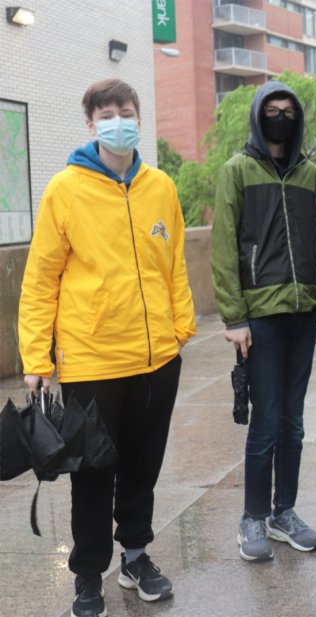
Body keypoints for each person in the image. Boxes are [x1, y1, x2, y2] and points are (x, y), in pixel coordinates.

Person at [18, 78, 196, 617]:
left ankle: (137, 555)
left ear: (137, 118)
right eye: (107, 114)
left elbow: (176, 265)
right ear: (91, 125)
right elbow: (40, 277)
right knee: (93, 474)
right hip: (92, 360)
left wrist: (180, 329)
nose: (119, 120)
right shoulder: (65, 189)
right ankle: (89, 573)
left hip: (156, 359)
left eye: (127, 111)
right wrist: (36, 358)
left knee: (143, 466)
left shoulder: (160, 185)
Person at [211, 80, 316, 562]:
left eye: (288, 111)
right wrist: (234, 316)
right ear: (259, 117)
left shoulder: (309, 175)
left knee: (295, 423)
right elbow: (223, 248)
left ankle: (285, 512)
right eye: (272, 110)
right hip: (258, 318)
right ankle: (252, 518)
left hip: (302, 315)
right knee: (265, 423)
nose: (280, 117)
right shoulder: (236, 171)